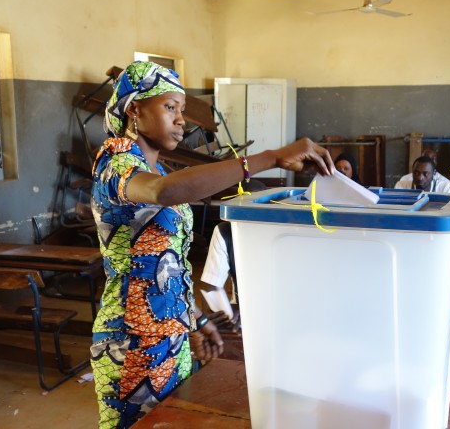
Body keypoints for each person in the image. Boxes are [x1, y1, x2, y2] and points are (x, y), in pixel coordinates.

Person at [90, 61, 334, 429]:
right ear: (135, 109)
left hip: (169, 333)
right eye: (169, 107)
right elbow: (162, 194)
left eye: (182, 111)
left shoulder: (157, 170)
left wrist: (196, 317)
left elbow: (165, 265)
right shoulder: (116, 164)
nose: (180, 120)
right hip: (132, 342)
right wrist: (269, 157)